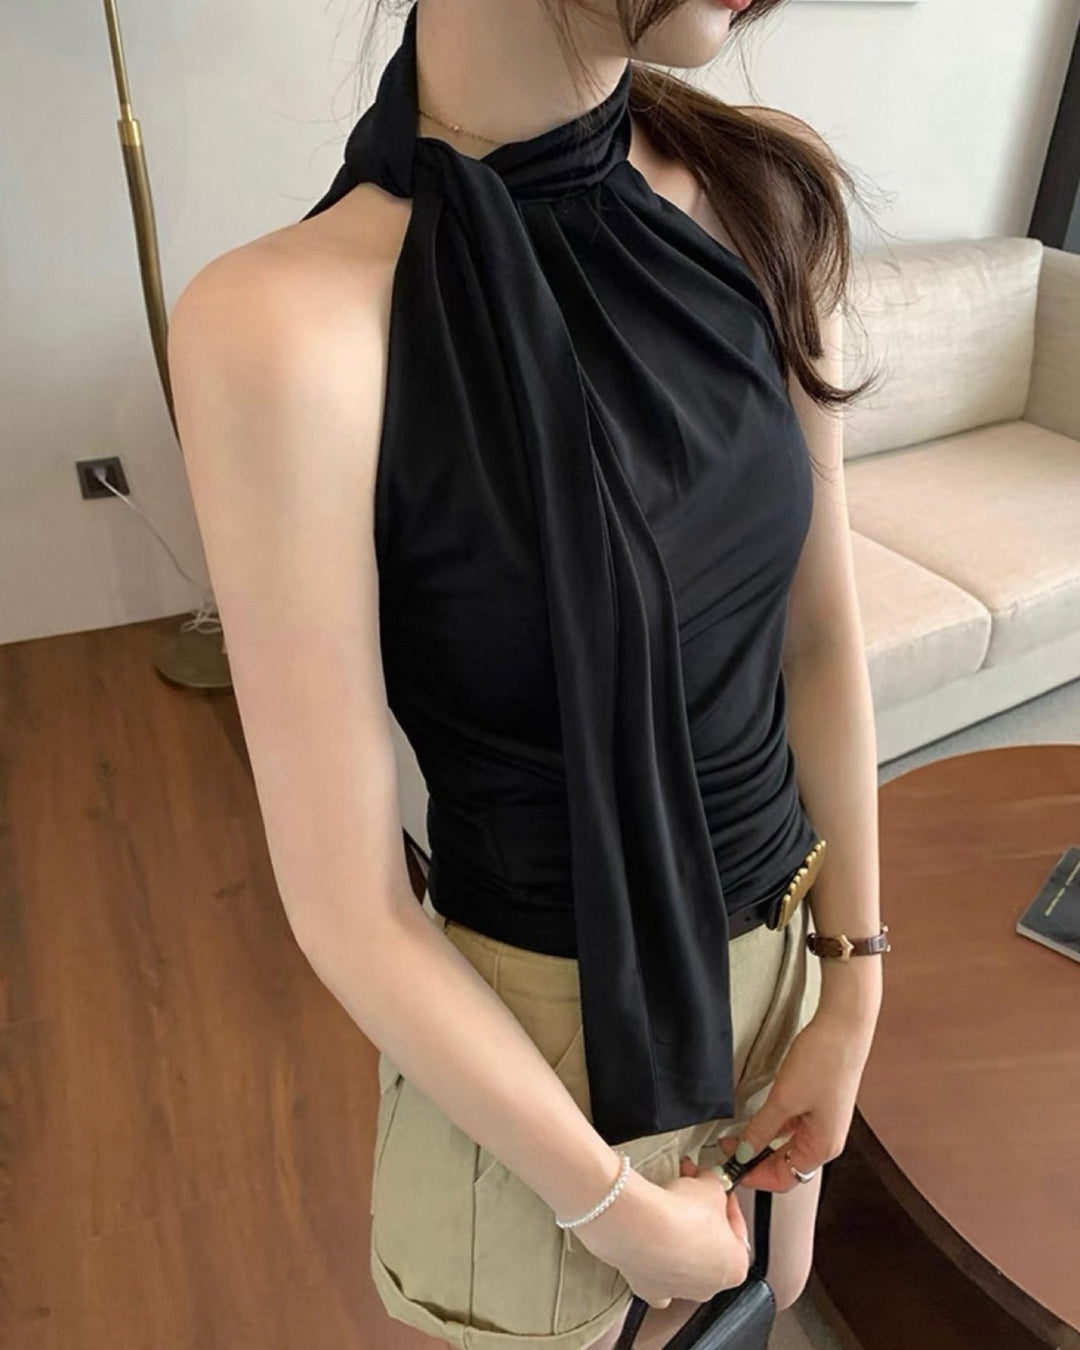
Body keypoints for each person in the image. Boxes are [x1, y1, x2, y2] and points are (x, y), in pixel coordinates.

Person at [167, 1, 888, 1347]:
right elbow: (349, 904)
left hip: (784, 966)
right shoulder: (282, 328)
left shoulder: (760, 194)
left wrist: (853, 983)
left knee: (766, 1304)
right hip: (532, 1056)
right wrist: (609, 1202)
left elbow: (818, 633)